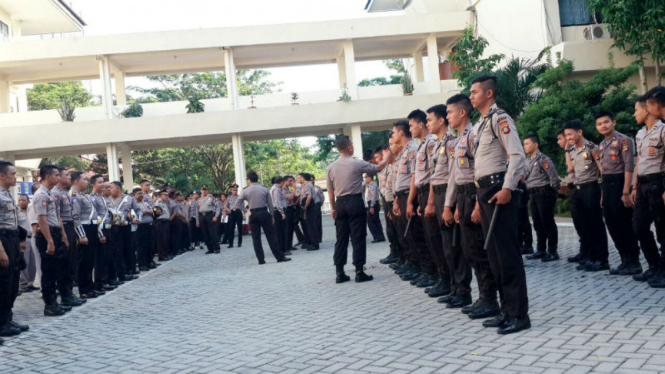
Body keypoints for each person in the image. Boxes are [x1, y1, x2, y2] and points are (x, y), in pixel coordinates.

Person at [468, 75, 530, 334]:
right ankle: (506, 312)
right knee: (494, 257)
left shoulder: (499, 118)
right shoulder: (480, 124)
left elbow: (517, 155)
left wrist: (508, 187)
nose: (471, 96)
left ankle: (519, 316)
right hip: (485, 192)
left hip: (498, 189)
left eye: (474, 92)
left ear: (489, 93)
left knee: (507, 256)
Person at [443, 94, 496, 316]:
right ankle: (482, 296)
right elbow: (456, 175)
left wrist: (476, 205)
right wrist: (451, 205)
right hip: (463, 199)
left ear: (462, 112)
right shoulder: (458, 140)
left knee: (479, 250)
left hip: (474, 198)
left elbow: (478, 171)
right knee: (470, 251)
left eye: (449, 112)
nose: (447, 117)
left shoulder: (474, 135)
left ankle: (489, 299)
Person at [327, 135, 393, 283]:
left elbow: (330, 191)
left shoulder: (330, 167)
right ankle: (359, 271)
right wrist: (387, 157)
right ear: (350, 148)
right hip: (355, 202)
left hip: (340, 204)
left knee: (341, 238)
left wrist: (332, 209)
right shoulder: (356, 163)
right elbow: (377, 168)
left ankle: (339, 272)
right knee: (358, 237)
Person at [425, 103, 471, 300]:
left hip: (448, 195)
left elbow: (453, 175)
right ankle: (454, 287)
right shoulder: (437, 144)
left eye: (429, 119)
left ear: (441, 120)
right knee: (446, 247)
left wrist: (448, 206)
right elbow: (433, 176)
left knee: (454, 246)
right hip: (439, 193)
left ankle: (462, 290)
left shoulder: (452, 142)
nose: (427, 124)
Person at [594, 111, 642, 275]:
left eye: (606, 122)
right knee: (612, 224)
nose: (603, 126)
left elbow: (629, 167)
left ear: (613, 122)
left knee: (624, 224)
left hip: (620, 184)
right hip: (607, 187)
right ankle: (624, 259)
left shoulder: (624, 140)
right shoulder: (601, 145)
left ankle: (634, 261)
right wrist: (602, 194)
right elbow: (603, 171)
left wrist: (626, 191)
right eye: (600, 124)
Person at [407, 108, 445, 289]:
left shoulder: (431, 144)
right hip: (423, 194)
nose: (410, 129)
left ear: (421, 124)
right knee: (429, 239)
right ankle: (438, 277)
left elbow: (432, 175)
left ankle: (443, 278)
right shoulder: (422, 145)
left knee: (436, 239)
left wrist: (430, 202)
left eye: (412, 125)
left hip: (431, 193)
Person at [564, 119, 609, 272]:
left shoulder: (592, 148)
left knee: (595, 224)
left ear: (580, 132)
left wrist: (603, 191)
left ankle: (602, 260)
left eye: (570, 134)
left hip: (591, 189)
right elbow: (571, 169)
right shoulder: (572, 151)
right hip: (578, 190)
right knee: (584, 225)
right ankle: (590, 256)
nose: (568, 137)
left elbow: (602, 169)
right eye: (566, 135)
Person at [632, 90, 665, 287]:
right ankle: (654, 266)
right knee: (639, 227)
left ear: (647, 109)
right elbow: (640, 162)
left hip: (656, 184)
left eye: (636, 110)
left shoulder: (662, 130)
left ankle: (663, 271)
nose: (634, 114)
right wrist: (634, 186)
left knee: (662, 230)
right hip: (642, 185)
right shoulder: (640, 134)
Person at [391, 120, 427, 283]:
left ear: (400, 133)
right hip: (403, 195)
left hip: (410, 195)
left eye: (393, 132)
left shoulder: (412, 149)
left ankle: (424, 269)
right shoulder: (405, 151)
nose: (392, 136)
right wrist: (397, 200)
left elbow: (414, 177)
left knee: (416, 233)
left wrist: (411, 200)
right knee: (408, 234)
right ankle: (416, 266)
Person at [33, 165, 71, 317]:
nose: (58, 177)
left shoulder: (49, 194)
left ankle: (55, 302)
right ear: (48, 177)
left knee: (57, 269)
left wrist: (62, 234)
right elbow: (42, 219)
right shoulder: (41, 194)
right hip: (46, 234)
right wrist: (49, 241)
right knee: (48, 271)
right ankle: (49, 304)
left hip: (55, 232)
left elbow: (56, 216)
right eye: (56, 175)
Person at [0, 161, 29, 341]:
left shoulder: (8, 195)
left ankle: (7, 319)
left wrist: (19, 241)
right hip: (2, 241)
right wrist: (1, 251)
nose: (15, 177)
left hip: (12, 239)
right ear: (1, 176)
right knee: (3, 282)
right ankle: (2, 323)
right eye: (12, 174)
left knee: (12, 281)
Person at [235, 171, 291, 264]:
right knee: (271, 236)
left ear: (249, 180)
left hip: (252, 214)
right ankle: (279, 257)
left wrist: (246, 210)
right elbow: (270, 205)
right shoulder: (264, 189)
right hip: (264, 212)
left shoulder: (245, 190)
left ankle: (261, 260)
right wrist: (272, 216)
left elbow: (237, 203)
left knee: (256, 237)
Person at [522, 134, 561, 262]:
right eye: (524, 144)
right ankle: (540, 250)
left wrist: (553, 193)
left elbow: (554, 178)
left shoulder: (543, 159)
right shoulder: (527, 161)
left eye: (527, 143)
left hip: (544, 193)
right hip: (532, 194)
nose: (525, 146)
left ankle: (552, 251)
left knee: (547, 222)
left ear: (535, 144)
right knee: (537, 223)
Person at [52, 168, 85, 307]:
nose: (69, 178)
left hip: (70, 228)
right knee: (64, 264)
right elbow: (57, 216)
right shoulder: (55, 193)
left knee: (71, 263)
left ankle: (69, 294)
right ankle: (65, 296)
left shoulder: (65, 193)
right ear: (58, 177)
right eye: (66, 175)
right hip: (63, 228)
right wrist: (64, 234)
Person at [69, 172, 99, 299]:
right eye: (84, 180)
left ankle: (89, 286)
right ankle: (84, 289)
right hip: (84, 229)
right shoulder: (74, 195)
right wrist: (81, 235)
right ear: (76, 181)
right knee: (84, 261)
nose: (87, 182)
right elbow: (75, 217)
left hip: (91, 227)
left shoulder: (83, 195)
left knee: (90, 260)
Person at [376, 144, 400, 265]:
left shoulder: (392, 166)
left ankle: (401, 257)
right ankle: (395, 253)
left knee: (397, 230)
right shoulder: (383, 169)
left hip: (393, 201)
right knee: (391, 230)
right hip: (386, 200)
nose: (378, 159)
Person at [90, 176, 112, 294]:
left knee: (105, 257)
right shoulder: (92, 198)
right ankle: (99, 283)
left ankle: (104, 280)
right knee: (100, 258)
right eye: (100, 182)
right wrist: (100, 233)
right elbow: (96, 217)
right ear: (93, 184)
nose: (103, 184)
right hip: (100, 229)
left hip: (107, 228)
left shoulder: (101, 197)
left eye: (103, 182)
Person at [18, 192, 39, 294]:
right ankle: (23, 284)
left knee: (33, 263)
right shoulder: (17, 212)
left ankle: (30, 283)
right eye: (19, 200)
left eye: (23, 200)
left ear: (28, 201)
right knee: (24, 262)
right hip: (24, 239)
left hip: (33, 238)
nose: (21, 202)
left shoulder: (32, 210)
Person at [133, 188, 155, 271]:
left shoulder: (145, 203)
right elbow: (137, 213)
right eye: (139, 193)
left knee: (149, 244)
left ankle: (149, 261)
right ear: (134, 195)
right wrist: (146, 211)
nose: (141, 195)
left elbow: (152, 211)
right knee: (142, 246)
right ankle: (142, 264)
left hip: (149, 225)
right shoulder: (134, 204)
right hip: (140, 227)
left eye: (142, 193)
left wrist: (149, 211)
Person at [197, 186, 220, 254]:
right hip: (202, 215)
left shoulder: (211, 198)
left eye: (205, 190)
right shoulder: (199, 199)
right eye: (202, 190)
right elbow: (197, 210)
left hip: (209, 215)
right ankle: (210, 249)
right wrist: (197, 220)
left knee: (213, 232)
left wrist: (216, 216)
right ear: (201, 191)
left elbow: (217, 207)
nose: (204, 191)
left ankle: (216, 248)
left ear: (207, 191)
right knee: (205, 233)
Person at [270, 176, 289, 256]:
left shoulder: (273, 188)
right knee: (281, 231)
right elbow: (277, 202)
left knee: (279, 231)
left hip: (277, 211)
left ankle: (282, 248)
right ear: (281, 182)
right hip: (279, 212)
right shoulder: (277, 189)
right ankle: (282, 249)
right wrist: (282, 212)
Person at [364, 174, 385, 243]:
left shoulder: (372, 185)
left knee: (371, 221)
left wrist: (371, 206)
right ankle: (380, 236)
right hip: (374, 203)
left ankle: (376, 237)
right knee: (376, 220)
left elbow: (373, 196)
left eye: (365, 177)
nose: (365, 179)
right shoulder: (371, 185)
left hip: (373, 204)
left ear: (369, 178)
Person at [154, 190, 172, 261]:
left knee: (166, 239)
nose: (167, 196)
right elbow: (155, 210)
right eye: (165, 195)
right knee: (161, 240)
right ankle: (161, 256)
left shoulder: (164, 203)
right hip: (161, 222)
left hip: (165, 222)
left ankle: (165, 254)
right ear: (161, 195)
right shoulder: (158, 202)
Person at [225, 184, 244, 249]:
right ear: (231, 190)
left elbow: (242, 206)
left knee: (240, 228)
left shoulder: (240, 197)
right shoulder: (229, 198)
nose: (235, 191)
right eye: (234, 190)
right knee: (231, 228)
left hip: (238, 212)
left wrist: (244, 215)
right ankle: (231, 243)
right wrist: (228, 210)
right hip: (231, 213)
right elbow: (225, 206)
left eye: (236, 190)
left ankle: (239, 243)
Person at [282, 176, 298, 252]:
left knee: (291, 228)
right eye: (290, 181)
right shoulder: (283, 189)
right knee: (288, 228)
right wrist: (294, 189)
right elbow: (289, 198)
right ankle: (287, 245)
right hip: (287, 210)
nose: (291, 182)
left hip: (291, 209)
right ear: (285, 181)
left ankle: (290, 244)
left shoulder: (287, 188)